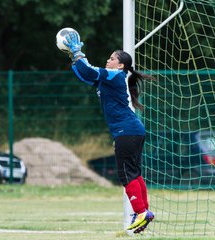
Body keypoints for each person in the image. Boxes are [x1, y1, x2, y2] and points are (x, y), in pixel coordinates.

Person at [63, 32, 154, 234]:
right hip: (131, 130)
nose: (108, 60)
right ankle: (144, 211)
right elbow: (84, 74)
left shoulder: (114, 75)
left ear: (120, 65)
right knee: (134, 172)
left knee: (126, 174)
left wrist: (78, 53)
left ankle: (140, 212)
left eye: (112, 58)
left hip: (127, 130)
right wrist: (74, 56)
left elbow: (88, 70)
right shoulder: (108, 79)